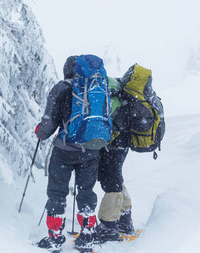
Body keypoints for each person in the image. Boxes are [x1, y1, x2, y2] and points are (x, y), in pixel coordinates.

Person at [35, 55, 104, 253]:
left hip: (65, 150)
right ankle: (87, 237)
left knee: (57, 192)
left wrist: (40, 132)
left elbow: (49, 122)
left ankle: (56, 238)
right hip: (91, 150)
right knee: (86, 193)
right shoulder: (96, 87)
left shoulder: (62, 88)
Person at [95, 76, 135, 242]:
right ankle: (124, 219)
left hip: (115, 140)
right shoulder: (110, 84)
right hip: (122, 139)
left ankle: (109, 225)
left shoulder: (101, 87)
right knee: (115, 177)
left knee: (111, 181)